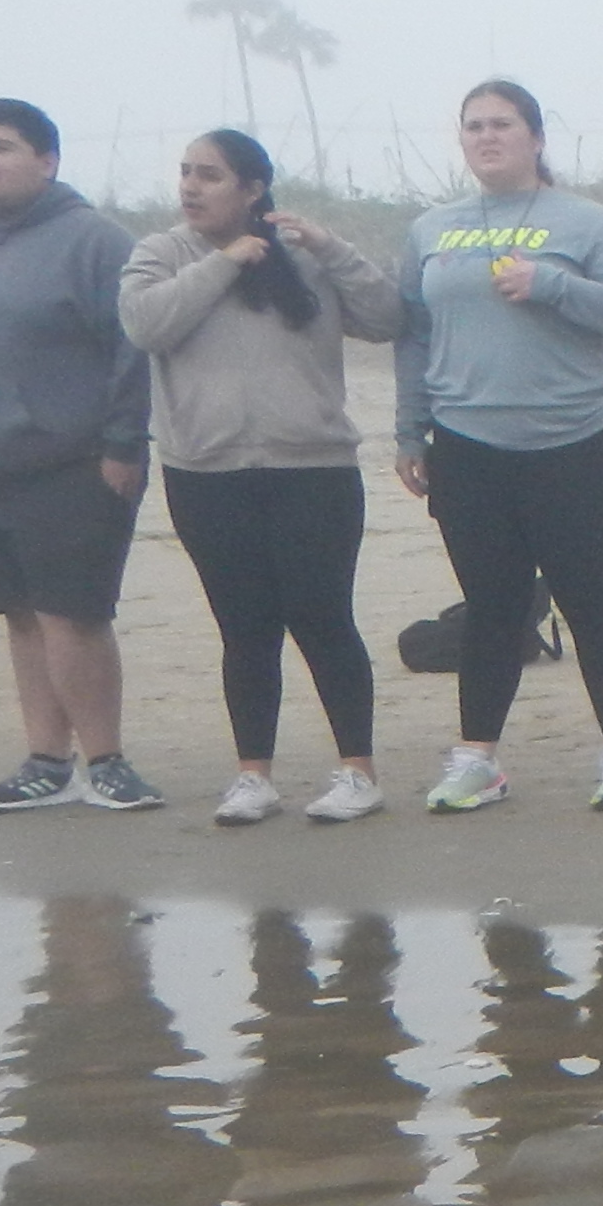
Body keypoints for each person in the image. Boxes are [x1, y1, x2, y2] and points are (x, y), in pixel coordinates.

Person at [391, 79, 603, 813]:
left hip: (580, 440)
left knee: (591, 598)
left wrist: (552, 285)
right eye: (474, 126)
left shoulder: (588, 223)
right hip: (469, 444)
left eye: (503, 124)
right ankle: (478, 758)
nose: (488, 137)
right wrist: (409, 429)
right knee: (491, 607)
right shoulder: (431, 230)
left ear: (536, 138)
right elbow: (414, 335)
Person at [121, 129, 401, 824]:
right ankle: (253, 776)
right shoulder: (160, 254)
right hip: (206, 472)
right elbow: (144, 325)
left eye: (210, 175)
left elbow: (388, 315)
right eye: (185, 172)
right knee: (243, 627)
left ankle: (357, 772)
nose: (190, 186)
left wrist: (331, 249)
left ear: (252, 189)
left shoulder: (303, 257)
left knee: (323, 617)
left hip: (313, 468)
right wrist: (222, 263)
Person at [0, 99, 158, 812]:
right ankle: (47, 760)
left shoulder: (95, 242)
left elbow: (131, 351)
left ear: (46, 161)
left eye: (1, 147)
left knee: (72, 615)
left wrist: (123, 444)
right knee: (19, 615)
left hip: (69, 465)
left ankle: (106, 762)